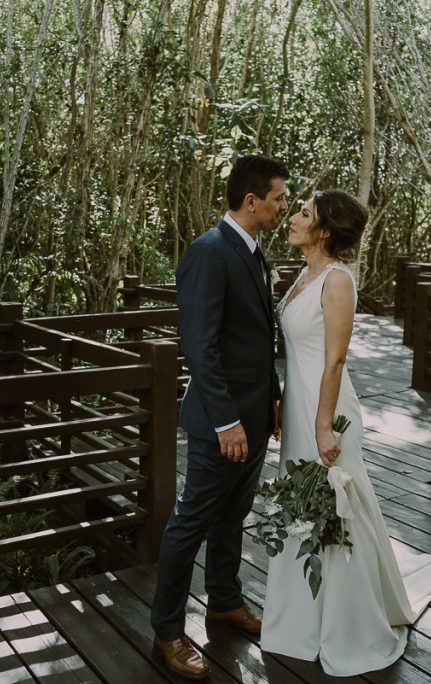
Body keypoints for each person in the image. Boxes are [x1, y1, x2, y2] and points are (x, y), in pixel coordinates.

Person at [260, 190, 431, 675]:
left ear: (325, 230)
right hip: (298, 404)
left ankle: (348, 622)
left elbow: (334, 359)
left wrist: (321, 424)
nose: (292, 217)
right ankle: (300, 614)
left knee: (337, 506)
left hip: (326, 409)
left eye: (304, 213)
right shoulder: (300, 276)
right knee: (302, 504)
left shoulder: (338, 281)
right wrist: (282, 404)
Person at [151, 154, 288, 680]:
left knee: (234, 515)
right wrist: (228, 421)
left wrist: (273, 400)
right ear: (251, 201)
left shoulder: (255, 253)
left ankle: (224, 600)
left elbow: (259, 341)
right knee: (189, 526)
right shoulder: (208, 253)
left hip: (254, 418)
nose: (283, 206)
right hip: (220, 424)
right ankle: (166, 630)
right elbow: (199, 347)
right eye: (278, 197)